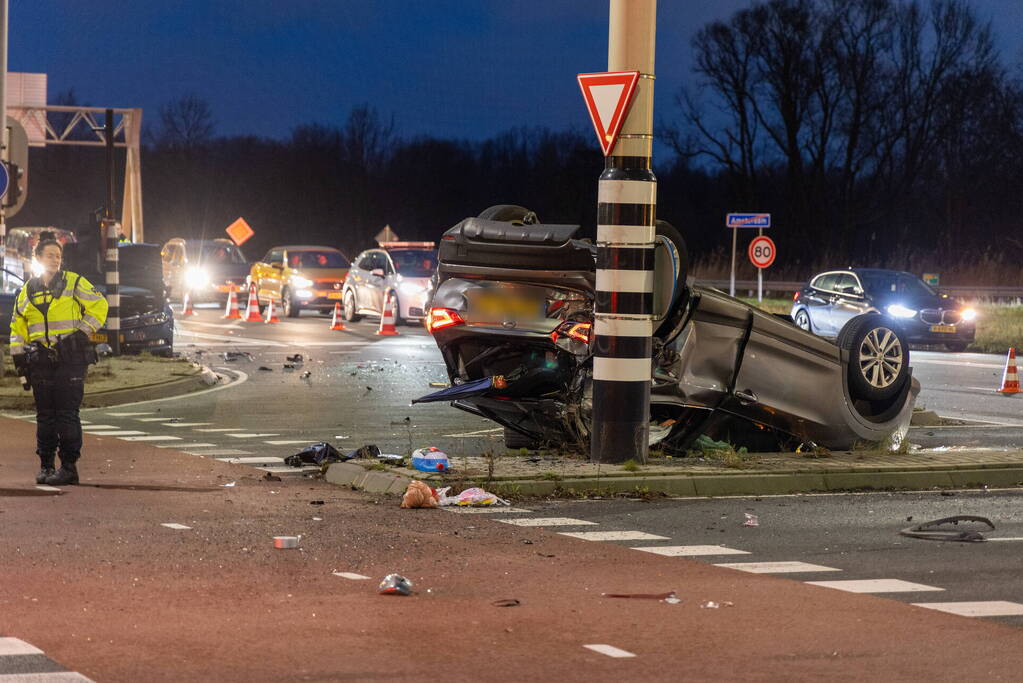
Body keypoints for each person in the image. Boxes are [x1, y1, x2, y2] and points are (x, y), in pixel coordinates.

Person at [9, 239, 108, 485]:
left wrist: (80, 333)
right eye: (50, 255)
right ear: (38, 258)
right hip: (41, 360)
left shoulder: (73, 282)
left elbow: (99, 305)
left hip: (70, 359)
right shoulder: (27, 291)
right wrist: (19, 357)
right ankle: (46, 466)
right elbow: (18, 326)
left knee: (66, 414)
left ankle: (69, 467)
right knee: (45, 415)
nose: (55, 259)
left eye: (58, 255)